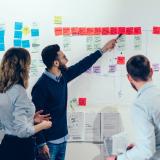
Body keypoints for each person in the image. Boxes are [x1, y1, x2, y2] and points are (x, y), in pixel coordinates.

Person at [31, 39, 117, 160]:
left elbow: (82, 65)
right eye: (63, 57)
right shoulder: (41, 86)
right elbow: (35, 118)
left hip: (63, 138)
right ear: (56, 63)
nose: (66, 59)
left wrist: (104, 49)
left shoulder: (62, 77)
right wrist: (41, 143)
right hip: (48, 144)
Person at [0, 48, 52, 160]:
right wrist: (44, 125)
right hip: (21, 149)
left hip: (6, 145)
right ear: (23, 67)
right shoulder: (19, 91)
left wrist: (31, 119)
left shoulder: (3, 89)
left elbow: (8, 119)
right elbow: (22, 132)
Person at [106, 55, 160, 160]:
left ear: (129, 78)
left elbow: (146, 151)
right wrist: (139, 147)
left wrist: (118, 159)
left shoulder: (140, 105)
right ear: (151, 72)